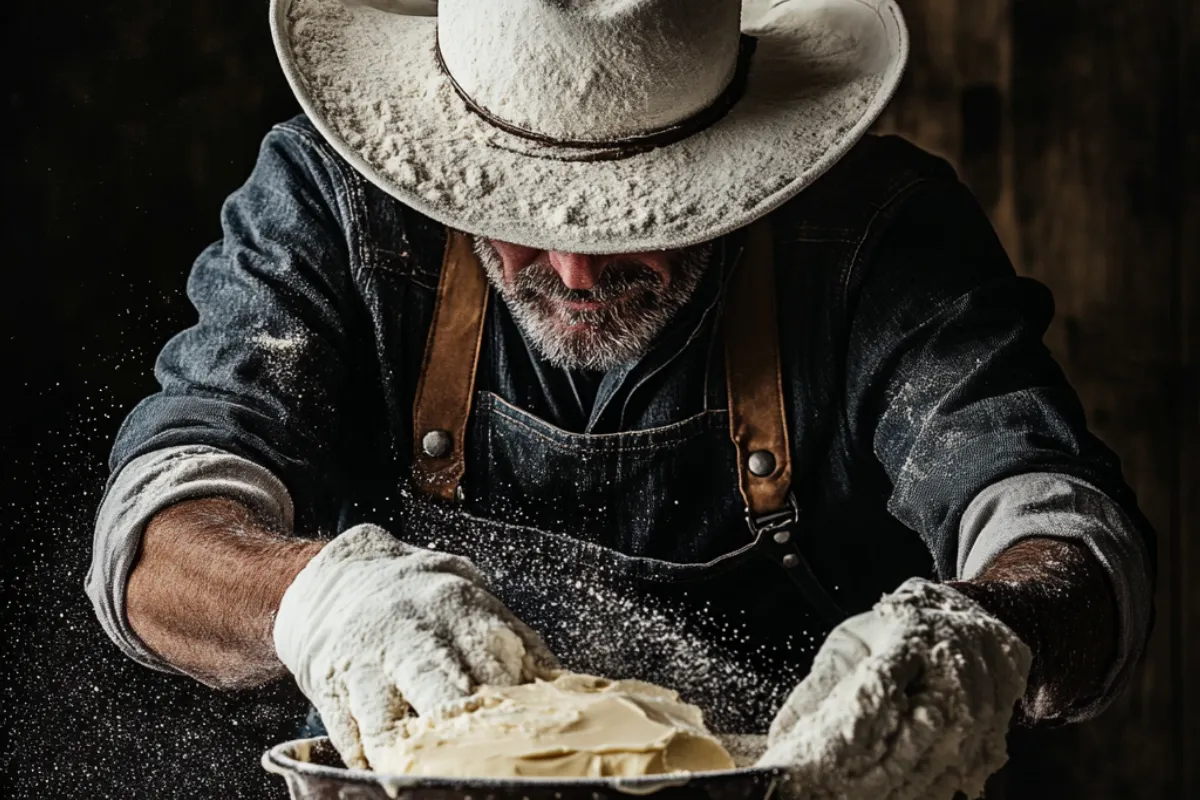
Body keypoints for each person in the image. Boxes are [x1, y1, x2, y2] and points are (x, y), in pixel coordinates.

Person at [87, 0, 1154, 796]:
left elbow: (1068, 540)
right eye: (515, 205)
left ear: (742, 164)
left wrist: (981, 632)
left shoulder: (876, 238)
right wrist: (318, 597)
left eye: (638, 214)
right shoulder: (340, 208)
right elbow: (158, 533)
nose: (576, 268)